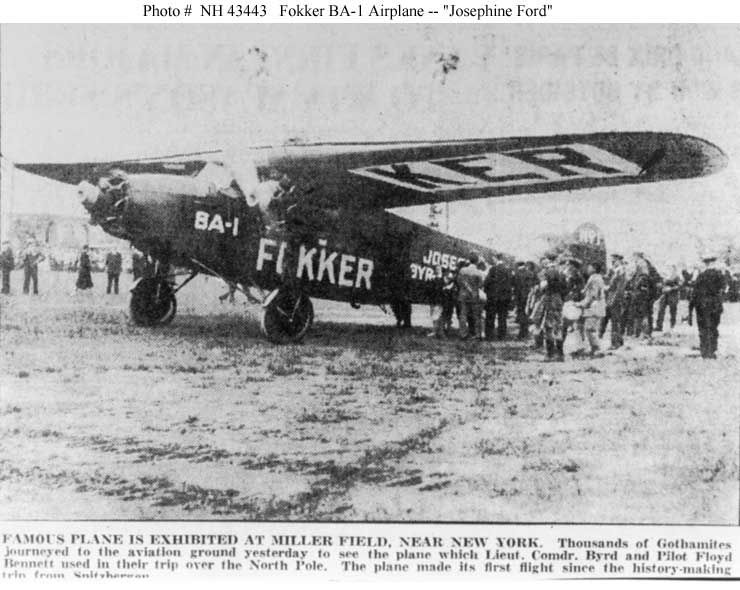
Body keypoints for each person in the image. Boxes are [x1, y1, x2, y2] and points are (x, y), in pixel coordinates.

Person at [531, 253, 567, 361]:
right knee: (558, 326)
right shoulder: (562, 272)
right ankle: (560, 354)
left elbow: (542, 287)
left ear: (548, 260)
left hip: (549, 299)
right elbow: (565, 288)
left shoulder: (546, 272)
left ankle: (550, 354)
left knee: (549, 327)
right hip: (559, 299)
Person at [691, 255, 726, 359]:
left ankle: (705, 351)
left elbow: (694, 292)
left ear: (705, 264)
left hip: (702, 305)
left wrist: (692, 307)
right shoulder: (720, 275)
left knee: (703, 328)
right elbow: (724, 290)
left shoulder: (701, 276)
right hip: (715, 305)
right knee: (713, 327)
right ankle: (712, 350)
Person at [577, 262, 607, 357]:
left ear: (594, 268)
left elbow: (592, 295)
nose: (588, 268)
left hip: (594, 306)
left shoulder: (594, 279)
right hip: (597, 305)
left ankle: (597, 349)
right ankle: (594, 349)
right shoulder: (598, 278)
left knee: (590, 329)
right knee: (590, 328)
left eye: (589, 267)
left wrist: (582, 304)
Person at [456, 252, 486, 340]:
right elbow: (481, 284)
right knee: (476, 316)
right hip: (474, 295)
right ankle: (477, 335)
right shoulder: (478, 272)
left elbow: (459, 281)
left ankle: (463, 334)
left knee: (463, 315)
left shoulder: (462, 270)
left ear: (469, 260)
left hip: (463, 295)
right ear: (477, 262)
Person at [483, 256, 513, 340]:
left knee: (490, 317)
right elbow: (511, 284)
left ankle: (489, 336)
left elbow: (486, 282)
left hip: (493, 297)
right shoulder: (508, 270)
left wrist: (486, 291)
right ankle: (502, 335)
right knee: (502, 317)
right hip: (504, 298)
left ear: (496, 259)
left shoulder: (493, 269)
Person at [602, 253, 627, 349]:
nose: (612, 262)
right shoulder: (617, 270)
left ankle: (615, 343)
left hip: (615, 297)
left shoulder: (620, 271)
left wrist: (607, 289)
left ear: (618, 260)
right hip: (614, 297)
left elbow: (617, 287)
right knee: (615, 320)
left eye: (614, 261)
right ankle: (619, 341)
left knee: (615, 321)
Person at [627, 258, 652, 339]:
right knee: (638, 316)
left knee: (642, 316)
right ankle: (638, 333)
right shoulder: (638, 276)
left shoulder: (643, 277)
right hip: (638, 298)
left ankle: (644, 333)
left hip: (641, 299)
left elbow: (644, 289)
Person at [512, 261, 537, 338]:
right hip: (529, 296)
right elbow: (536, 283)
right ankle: (525, 331)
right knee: (527, 313)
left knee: (521, 313)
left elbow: (513, 285)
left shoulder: (516, 274)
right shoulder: (531, 273)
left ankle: (522, 333)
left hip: (519, 297)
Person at [655, 264, 681, 331]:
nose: (669, 269)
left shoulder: (677, 276)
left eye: (671, 268)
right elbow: (662, 284)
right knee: (661, 310)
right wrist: (662, 287)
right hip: (665, 295)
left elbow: (679, 286)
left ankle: (672, 326)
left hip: (673, 296)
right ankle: (659, 326)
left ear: (674, 269)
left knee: (673, 311)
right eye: (668, 268)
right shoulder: (665, 276)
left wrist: (671, 288)